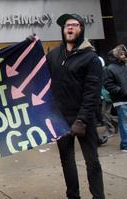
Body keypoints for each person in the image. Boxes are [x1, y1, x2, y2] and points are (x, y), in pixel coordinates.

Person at [46, 14, 105, 199]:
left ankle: (98, 196)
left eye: (74, 25)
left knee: (92, 162)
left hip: (83, 119)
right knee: (67, 160)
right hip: (61, 119)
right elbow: (36, 72)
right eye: (66, 25)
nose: (69, 28)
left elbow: (92, 93)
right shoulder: (54, 54)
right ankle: (73, 196)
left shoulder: (90, 58)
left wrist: (82, 120)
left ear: (81, 29)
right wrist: (29, 46)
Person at [103, 44, 127, 152]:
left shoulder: (125, 66)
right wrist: (120, 91)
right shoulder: (111, 68)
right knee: (124, 122)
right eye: (121, 54)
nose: (124, 56)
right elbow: (108, 84)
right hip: (120, 100)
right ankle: (125, 144)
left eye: (124, 53)